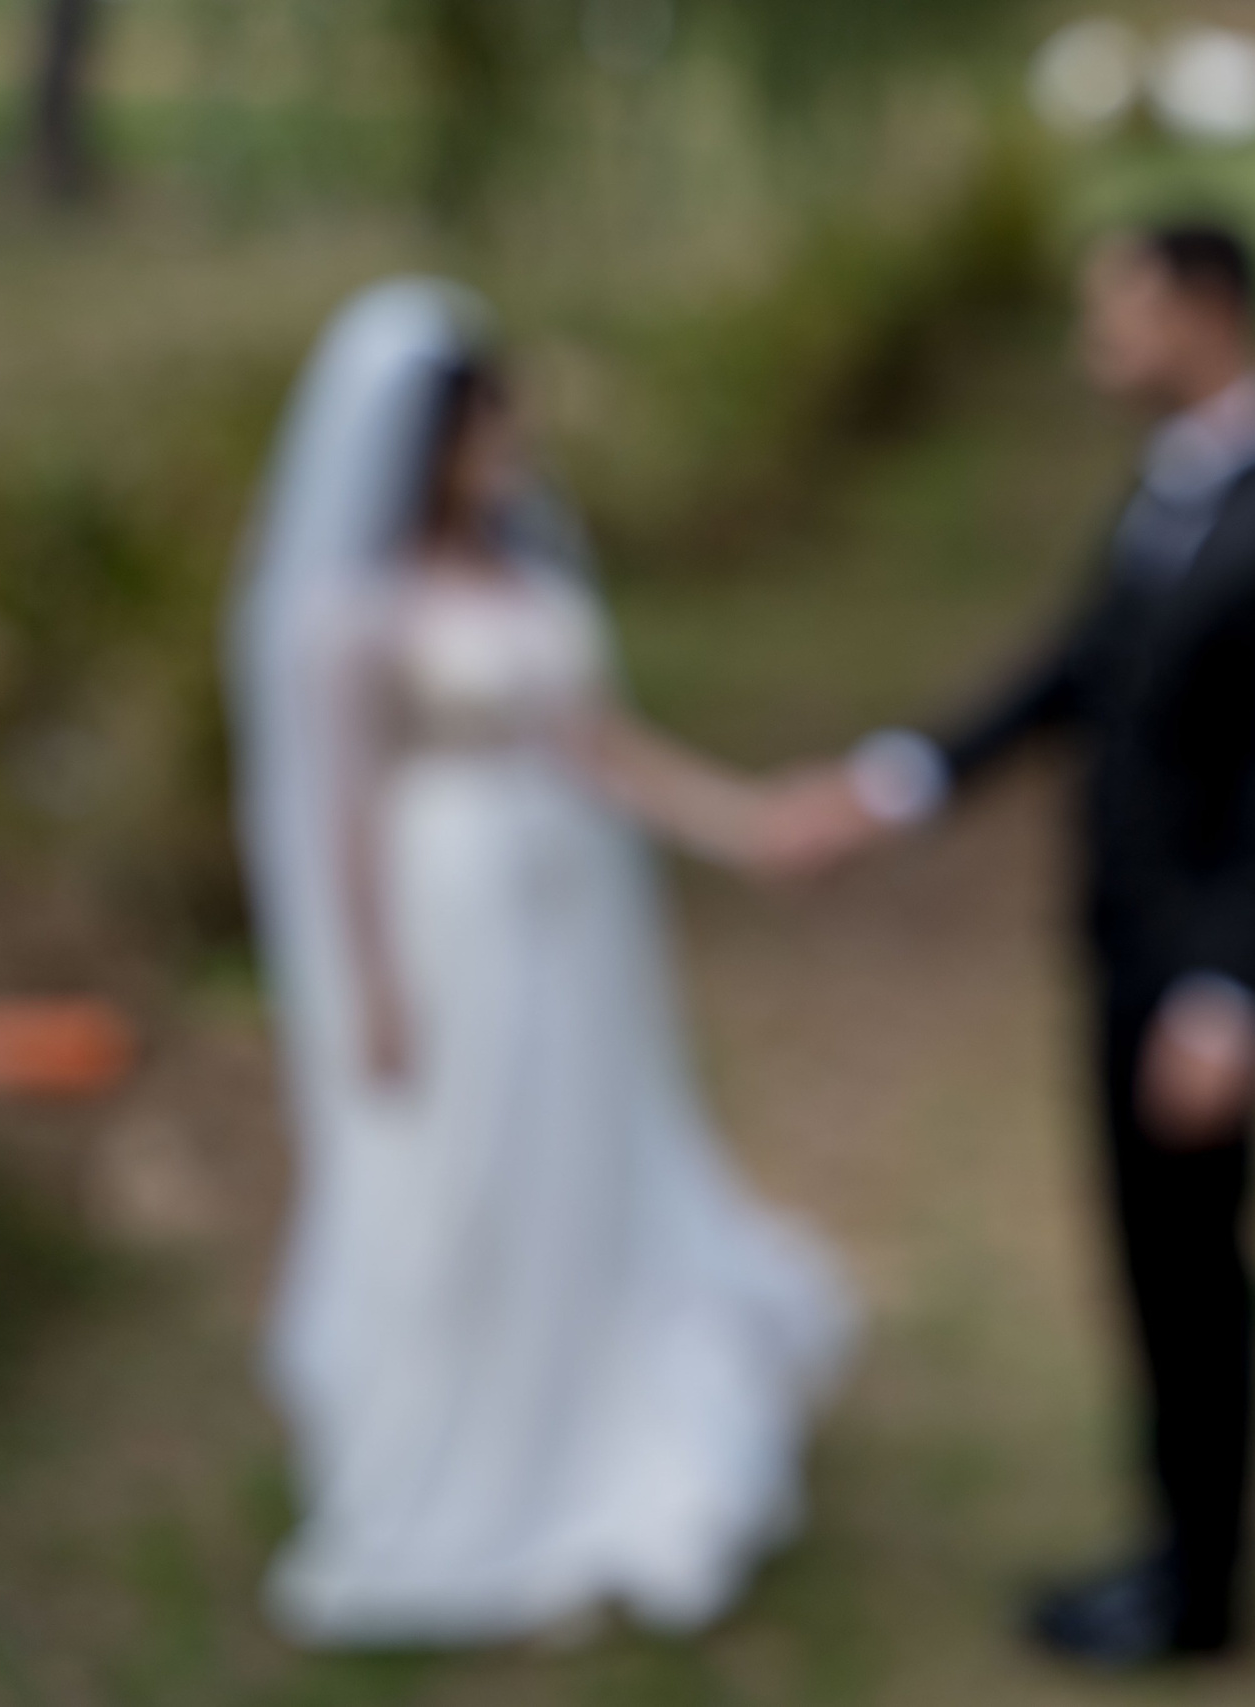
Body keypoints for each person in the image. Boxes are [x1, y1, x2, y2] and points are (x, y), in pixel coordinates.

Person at [227, 279, 854, 1647]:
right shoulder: (353, 611)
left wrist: (744, 822)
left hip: (568, 926)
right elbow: (338, 815)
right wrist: (368, 985)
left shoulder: (522, 575)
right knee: (460, 1179)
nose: (510, 449)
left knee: (575, 1159)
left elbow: (597, 744)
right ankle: (462, 1448)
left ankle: (590, 1421)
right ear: (428, 442)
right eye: (485, 427)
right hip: (442, 920)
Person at [763, 223, 1255, 1664]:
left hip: (1195, 988)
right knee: (1146, 1269)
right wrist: (897, 782)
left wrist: (1226, 995)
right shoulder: (1168, 490)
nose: (1100, 341)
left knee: (1196, 1280)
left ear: (1205, 310)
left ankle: (1204, 1596)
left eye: (1120, 311)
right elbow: (1074, 671)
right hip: (1120, 949)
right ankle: (1167, 1553)